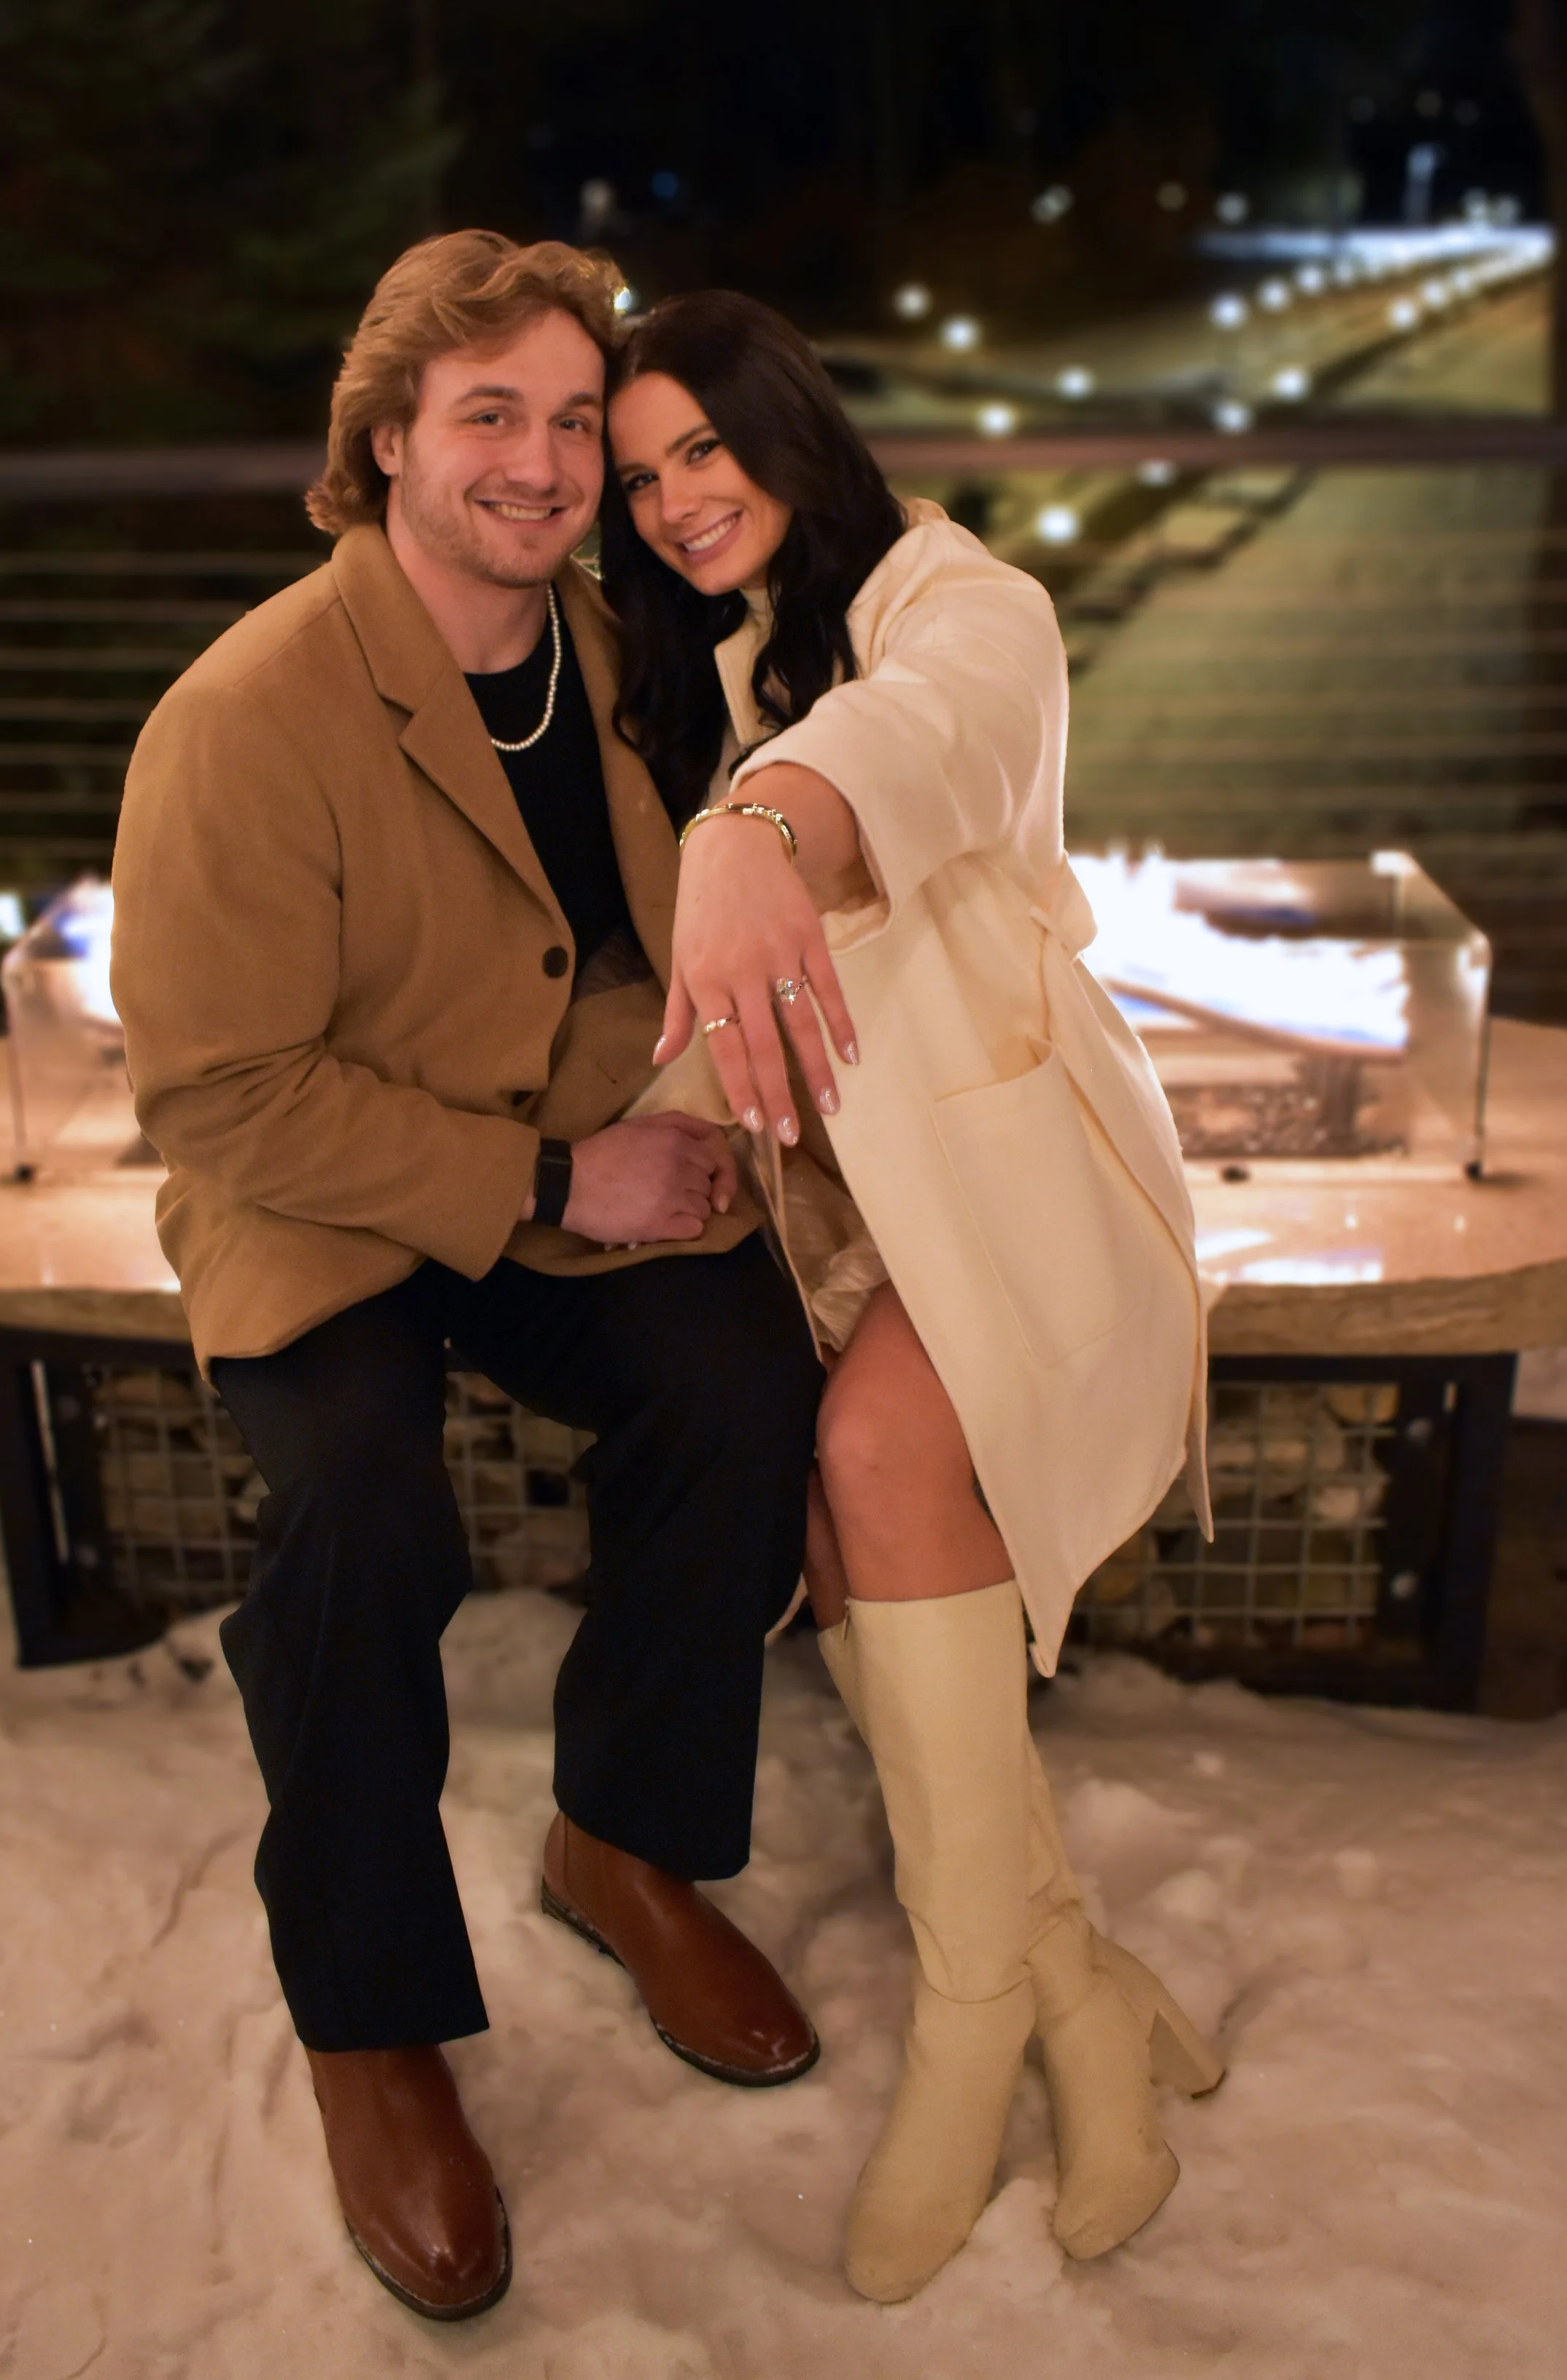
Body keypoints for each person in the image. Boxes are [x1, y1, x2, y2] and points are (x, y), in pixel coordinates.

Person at [109, 236, 824, 2327]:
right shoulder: (240, 716)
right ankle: (369, 2015)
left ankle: (619, 1834)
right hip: (325, 1194)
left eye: (571, 416)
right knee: (357, 1510)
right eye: (486, 414)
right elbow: (217, 1088)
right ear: (388, 440)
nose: (540, 458)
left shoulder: (617, 646)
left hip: (562, 1162)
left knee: (736, 1377)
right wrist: (541, 1168)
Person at [602, 290, 1226, 2303]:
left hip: (1033, 1198)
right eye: (641, 474)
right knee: (828, 1505)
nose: (677, 497)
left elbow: (914, 739)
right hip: (866, 1225)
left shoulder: (965, 602)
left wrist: (753, 824)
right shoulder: (698, 657)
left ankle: (970, 2019)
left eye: (704, 444)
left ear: (789, 423)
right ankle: (1070, 1980)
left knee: (872, 1441)